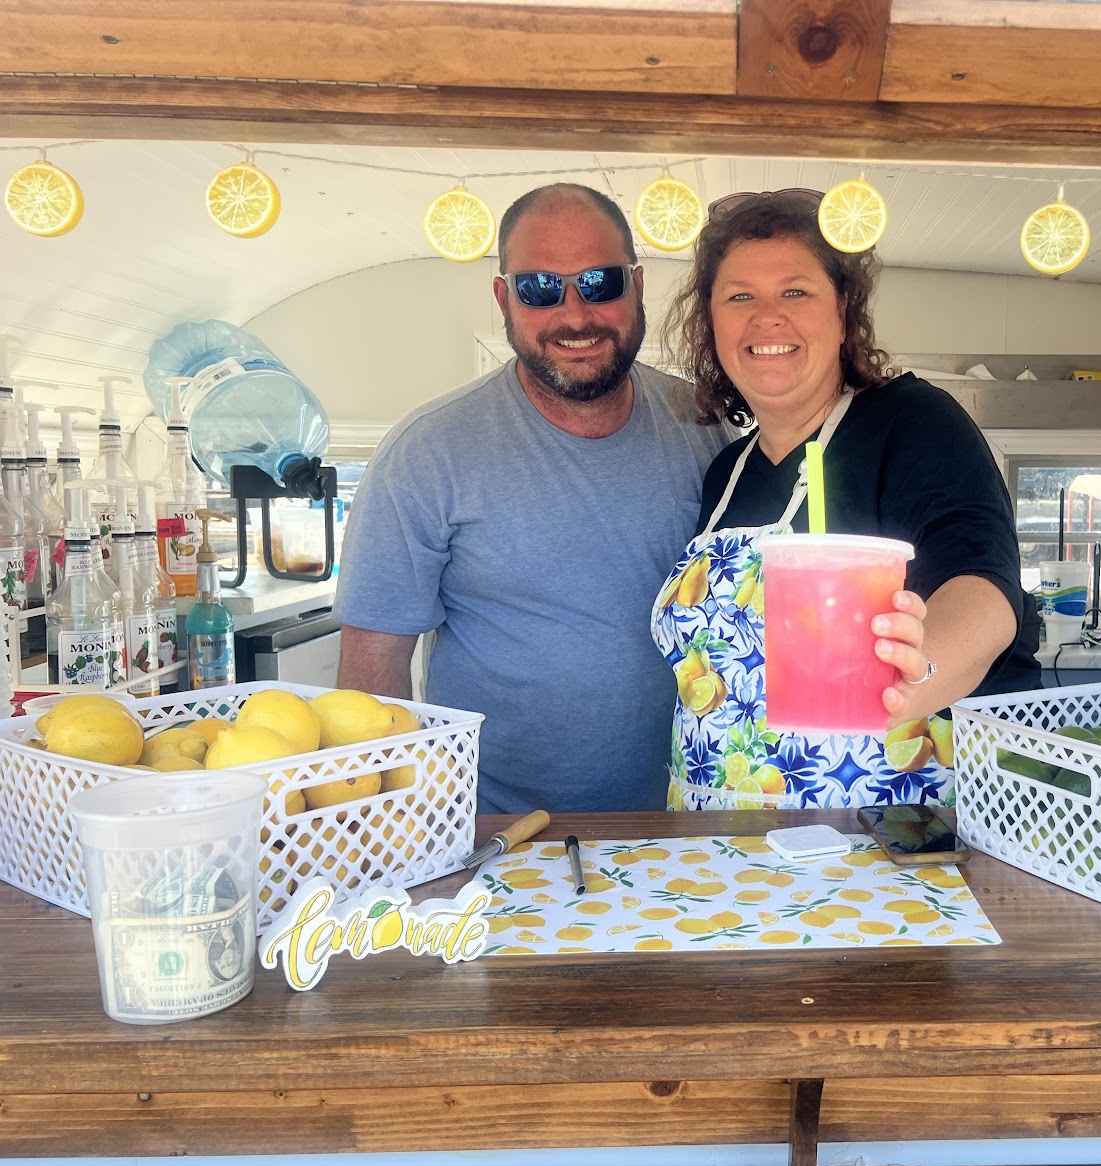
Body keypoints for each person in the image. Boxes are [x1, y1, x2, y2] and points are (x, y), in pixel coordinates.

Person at [337, 183, 728, 813]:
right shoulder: (427, 452)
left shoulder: (705, 429)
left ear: (637, 286)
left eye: (600, 282)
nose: (576, 316)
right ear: (503, 299)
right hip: (486, 831)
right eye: (540, 289)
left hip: (681, 822)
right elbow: (373, 668)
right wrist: (391, 827)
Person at [653, 189, 1040, 810]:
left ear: (844, 312)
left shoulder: (911, 422)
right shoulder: (726, 472)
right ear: (711, 321)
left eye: (796, 291)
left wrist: (920, 673)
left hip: (882, 844)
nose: (767, 316)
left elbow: (984, 591)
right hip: (715, 851)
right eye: (739, 296)